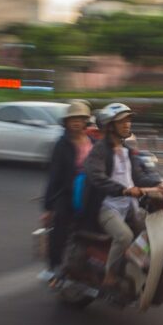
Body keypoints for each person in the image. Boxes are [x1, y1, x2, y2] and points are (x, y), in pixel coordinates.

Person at [83, 102, 162, 293]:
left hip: (129, 206)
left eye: (129, 121)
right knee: (124, 236)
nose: (127, 125)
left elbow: (139, 177)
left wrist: (160, 182)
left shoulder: (127, 150)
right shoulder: (99, 151)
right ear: (110, 126)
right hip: (106, 207)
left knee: (154, 230)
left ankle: (133, 265)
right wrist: (123, 190)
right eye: (122, 121)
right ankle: (110, 274)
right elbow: (97, 177)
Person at [39, 100, 94, 282]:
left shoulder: (93, 142)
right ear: (67, 122)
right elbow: (54, 176)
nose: (77, 122)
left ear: (86, 121)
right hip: (68, 192)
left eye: (80, 119)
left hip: (91, 192)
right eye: (73, 119)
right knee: (60, 226)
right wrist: (48, 207)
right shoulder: (61, 145)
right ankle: (54, 267)